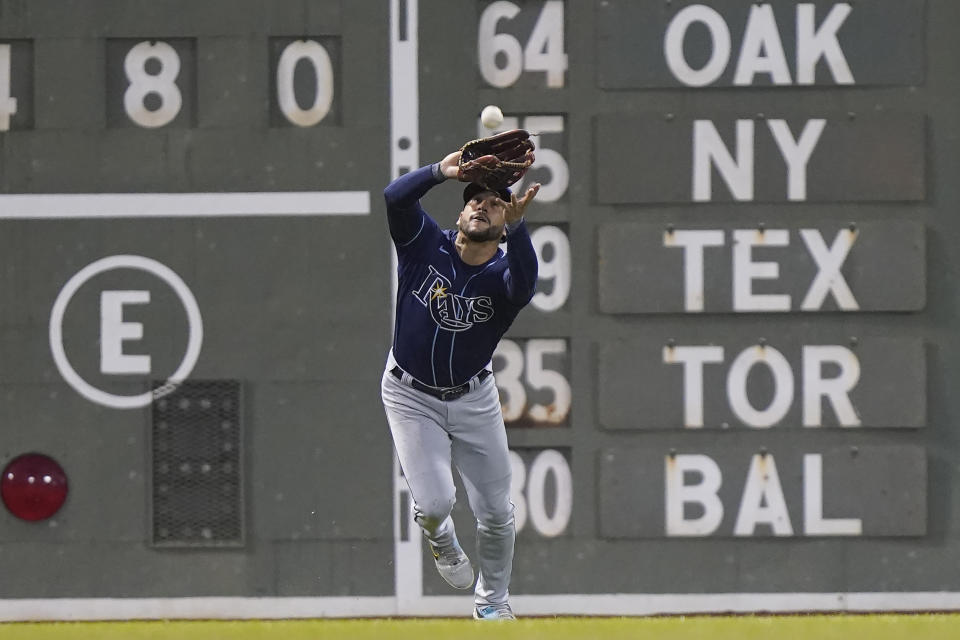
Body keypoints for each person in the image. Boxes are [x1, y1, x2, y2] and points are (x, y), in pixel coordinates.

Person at [380, 145, 540, 620]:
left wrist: (521, 227)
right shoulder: (424, 244)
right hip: (409, 394)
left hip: (473, 398)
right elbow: (394, 199)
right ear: (462, 207)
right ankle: (439, 536)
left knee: (495, 513)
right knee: (435, 505)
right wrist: (438, 172)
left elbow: (527, 280)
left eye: (494, 203)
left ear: (504, 222)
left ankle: (492, 606)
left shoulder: (504, 276)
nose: (481, 205)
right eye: (475, 199)